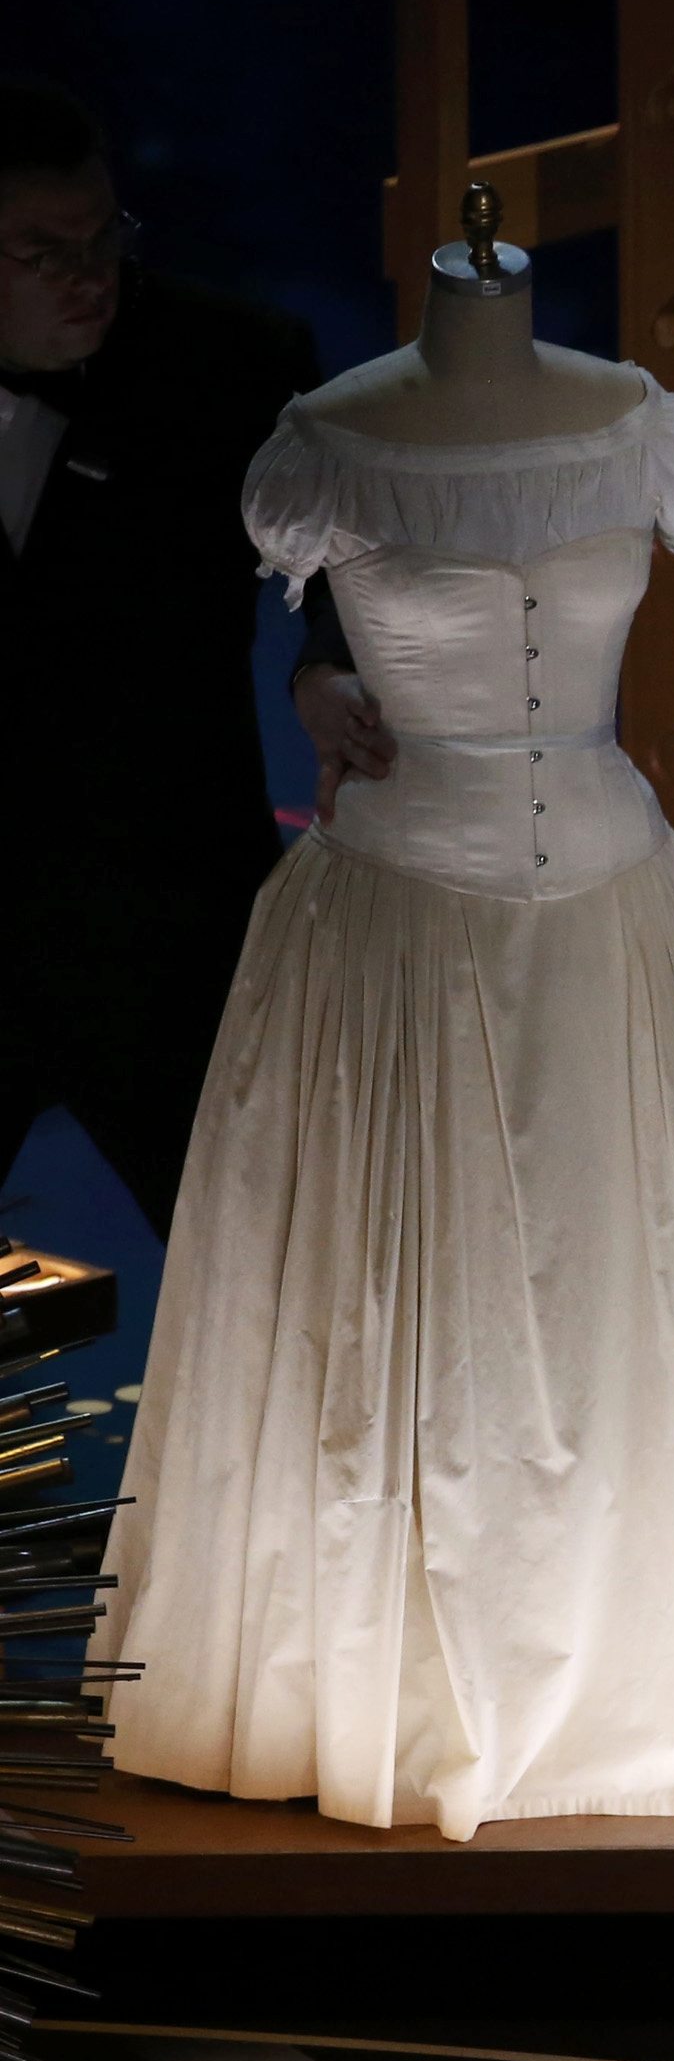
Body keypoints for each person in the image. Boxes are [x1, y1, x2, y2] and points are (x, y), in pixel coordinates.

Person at [93, 200, 674, 1839]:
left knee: (626, 1291)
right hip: (392, 922)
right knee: (405, 1297)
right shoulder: (328, 445)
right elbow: (280, 634)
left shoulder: (639, 428)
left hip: (615, 914)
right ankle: (382, 1689)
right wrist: (318, 687)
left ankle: (647, 1674)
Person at [0, 80, 317, 1232]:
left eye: (104, 238)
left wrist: (322, 672)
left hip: (169, 936)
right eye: (46, 254)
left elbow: (365, 554)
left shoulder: (231, 365)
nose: (90, 276)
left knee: (262, 1277)